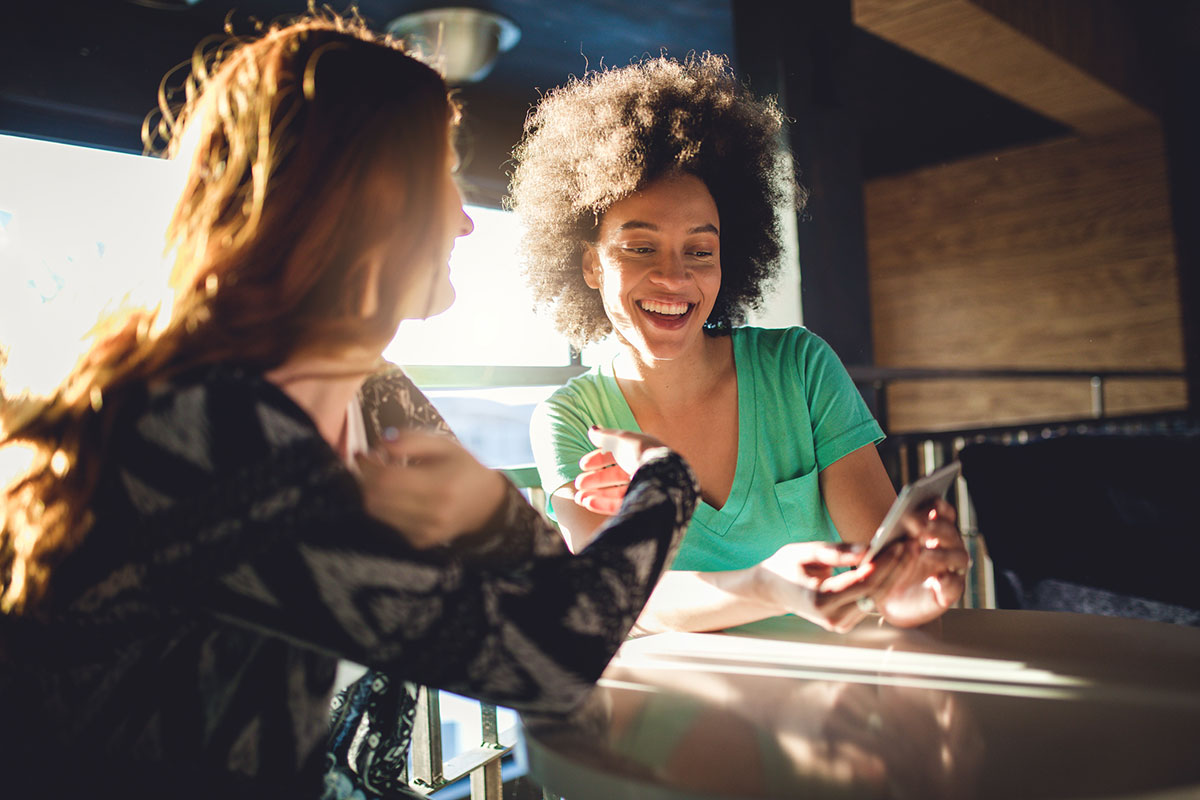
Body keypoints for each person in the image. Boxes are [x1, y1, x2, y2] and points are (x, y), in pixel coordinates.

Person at [0, 16, 696, 799]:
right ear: (371, 199)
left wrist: (487, 511)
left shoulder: (373, 389)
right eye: (444, 175)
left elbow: (545, 595)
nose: (465, 219)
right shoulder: (205, 430)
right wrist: (667, 475)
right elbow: (553, 660)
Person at [508, 53, 968, 636]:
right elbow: (617, 598)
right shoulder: (571, 418)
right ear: (591, 265)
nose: (675, 279)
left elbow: (880, 580)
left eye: (699, 251)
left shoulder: (799, 369)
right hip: (670, 714)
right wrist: (766, 585)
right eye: (640, 248)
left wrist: (917, 590)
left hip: (829, 707)